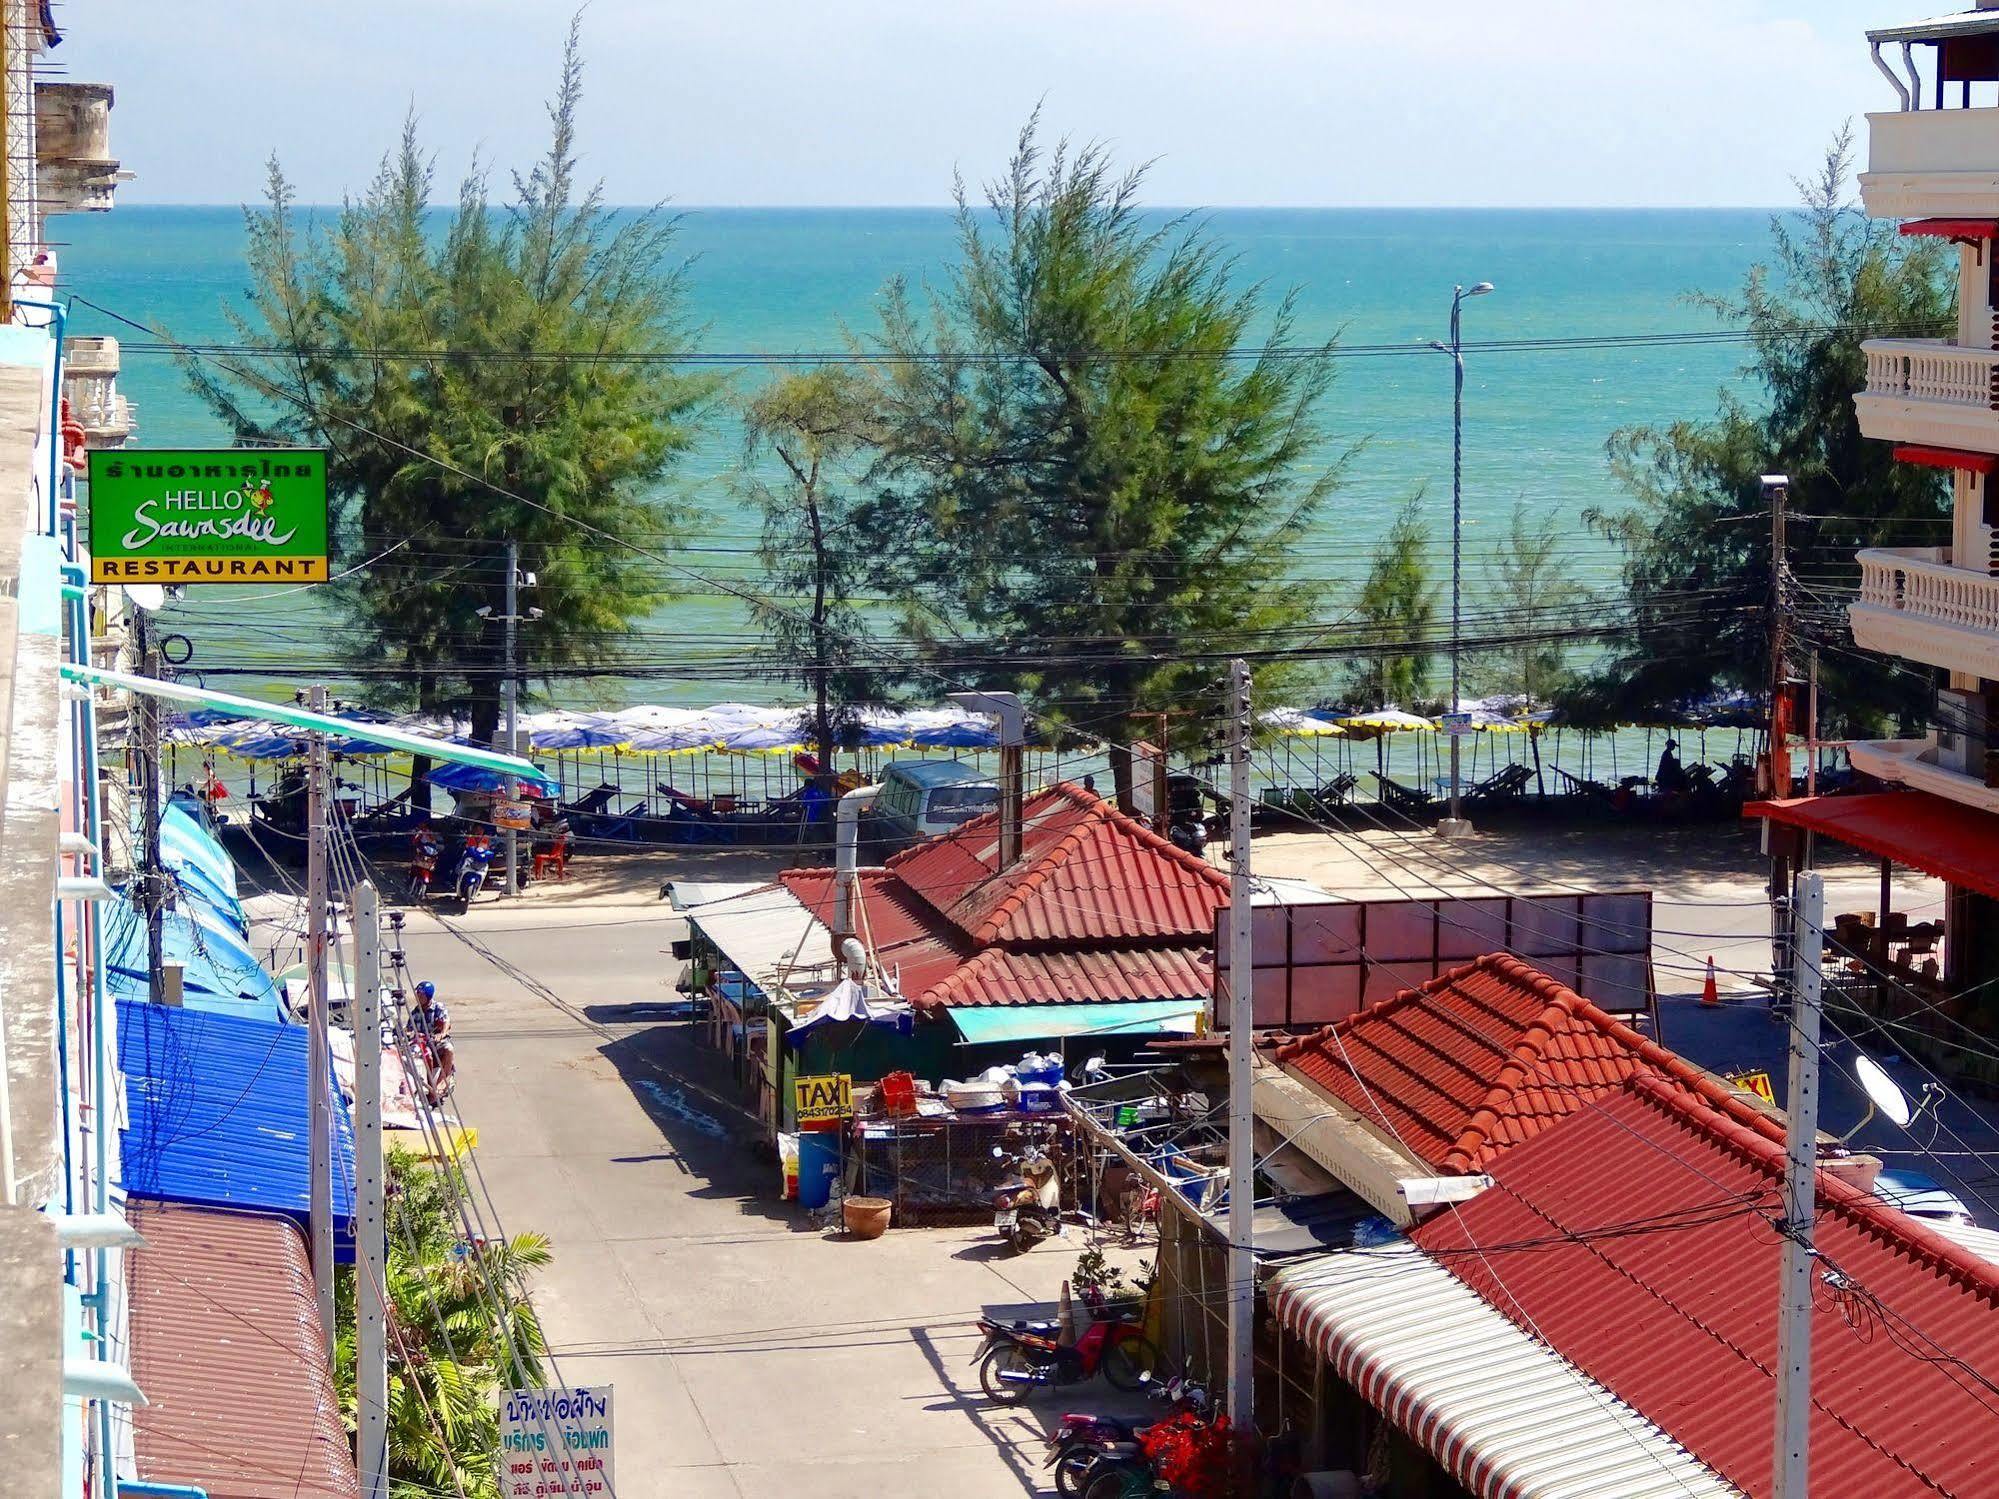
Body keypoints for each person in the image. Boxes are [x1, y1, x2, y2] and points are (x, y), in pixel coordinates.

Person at [413, 981, 456, 1106]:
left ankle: (441, 1083)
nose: (418, 998)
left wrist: (442, 1033)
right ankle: (426, 1086)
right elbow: (411, 1027)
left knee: (448, 1049)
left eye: (421, 995)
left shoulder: (438, 1008)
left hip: (437, 1042)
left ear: (428, 996)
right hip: (424, 1044)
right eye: (417, 995)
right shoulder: (416, 1012)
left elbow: (446, 1021)